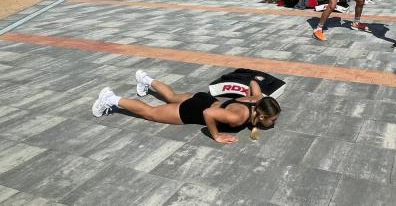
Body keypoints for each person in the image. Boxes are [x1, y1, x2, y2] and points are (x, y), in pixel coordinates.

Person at [92, 70, 281, 144]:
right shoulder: (238, 118)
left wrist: (256, 83)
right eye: (273, 120)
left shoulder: (255, 99)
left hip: (203, 98)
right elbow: (208, 114)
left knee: (172, 96)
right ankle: (110, 99)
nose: (274, 123)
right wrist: (216, 136)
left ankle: (145, 79)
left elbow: (254, 84)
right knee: (150, 113)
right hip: (194, 110)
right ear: (262, 116)